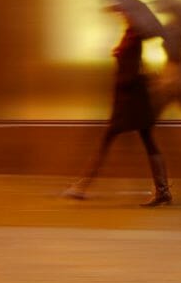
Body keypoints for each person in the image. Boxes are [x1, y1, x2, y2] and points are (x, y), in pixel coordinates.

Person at [62, 11, 172, 207]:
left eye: (126, 15)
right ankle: (163, 190)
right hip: (132, 103)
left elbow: (130, 75)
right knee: (146, 141)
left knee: (108, 141)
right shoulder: (130, 36)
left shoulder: (134, 38)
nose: (123, 16)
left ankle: (81, 187)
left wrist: (120, 61)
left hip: (130, 104)